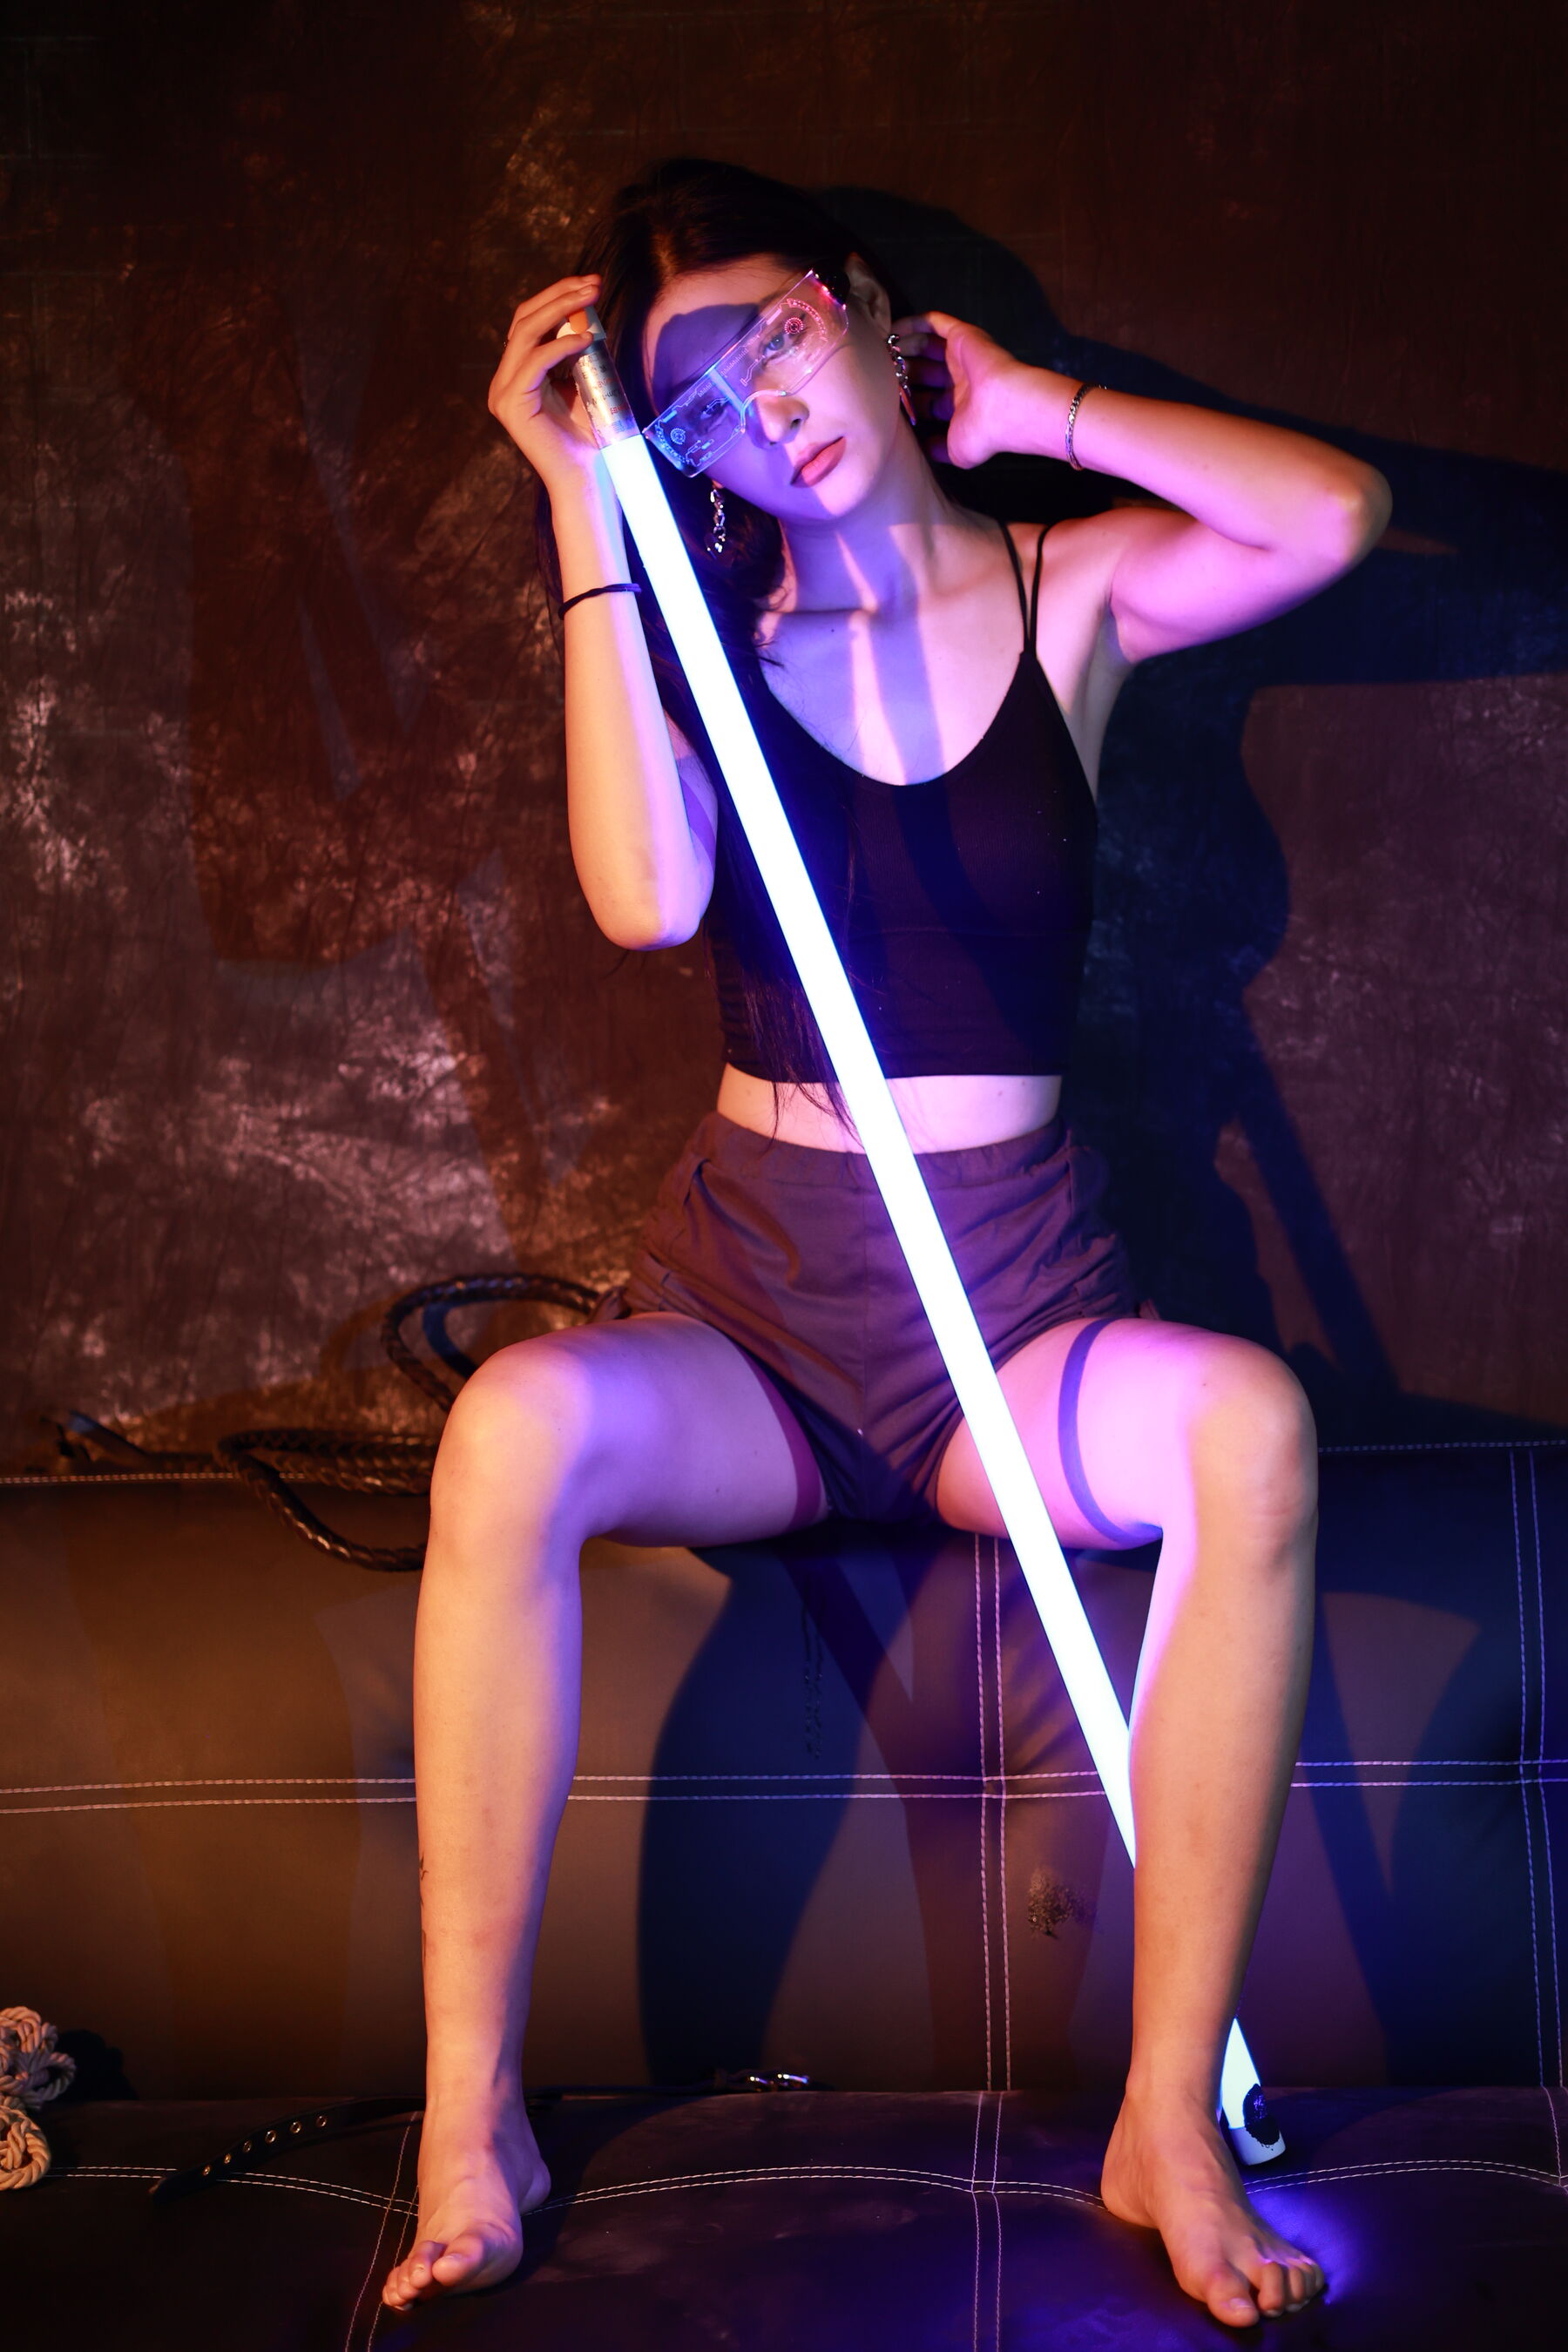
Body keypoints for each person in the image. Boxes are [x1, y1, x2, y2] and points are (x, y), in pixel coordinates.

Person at [382, 156, 1390, 2327]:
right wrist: (584, 502)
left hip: (1013, 1313)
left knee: (1249, 1429)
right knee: (510, 1435)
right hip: (753, 1306)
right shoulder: (709, 649)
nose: (766, 414)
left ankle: (1165, 2120)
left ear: (857, 306)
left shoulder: (1064, 595)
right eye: (699, 410)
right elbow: (646, 902)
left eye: (778, 338)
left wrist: (1034, 407)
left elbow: (1330, 518)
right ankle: (472, 2114)